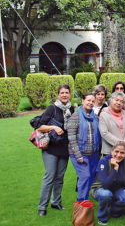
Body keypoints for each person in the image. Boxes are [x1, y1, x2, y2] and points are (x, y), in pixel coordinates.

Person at [37, 84, 74, 216]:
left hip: (65, 148)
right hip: (51, 147)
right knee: (50, 176)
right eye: (62, 93)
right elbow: (39, 126)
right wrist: (53, 127)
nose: (64, 95)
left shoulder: (71, 109)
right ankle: (42, 207)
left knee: (59, 177)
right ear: (58, 94)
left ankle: (56, 202)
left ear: (70, 94)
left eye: (67, 92)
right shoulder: (52, 108)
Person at [67, 92, 101, 201]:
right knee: (85, 176)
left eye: (92, 101)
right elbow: (71, 137)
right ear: (82, 101)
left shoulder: (95, 117)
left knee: (91, 178)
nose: (90, 103)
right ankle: (81, 203)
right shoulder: (75, 116)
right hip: (80, 154)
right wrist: (78, 155)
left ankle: (85, 200)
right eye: (88, 100)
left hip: (94, 154)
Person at [91, 141, 125, 225]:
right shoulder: (104, 161)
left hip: (117, 189)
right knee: (106, 194)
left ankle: (114, 211)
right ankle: (102, 217)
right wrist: (115, 168)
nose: (118, 155)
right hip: (100, 189)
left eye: (122, 153)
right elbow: (105, 185)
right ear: (112, 151)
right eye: (116, 151)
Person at [99, 92, 125, 156]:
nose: (118, 103)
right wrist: (121, 144)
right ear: (111, 100)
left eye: (121, 101)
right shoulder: (103, 114)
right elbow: (104, 133)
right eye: (116, 100)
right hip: (110, 151)